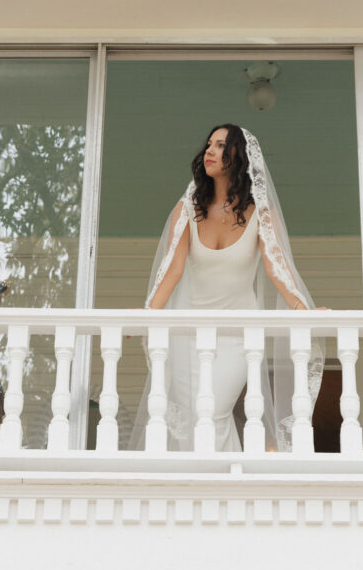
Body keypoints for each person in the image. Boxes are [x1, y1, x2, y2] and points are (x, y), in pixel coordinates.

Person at [134, 124, 323, 452]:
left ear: (238, 155)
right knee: (190, 417)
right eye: (208, 144)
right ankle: (193, 493)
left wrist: (303, 310)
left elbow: (277, 269)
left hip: (237, 335)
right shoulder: (187, 210)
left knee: (214, 410)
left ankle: (227, 490)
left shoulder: (260, 214)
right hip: (185, 333)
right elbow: (172, 270)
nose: (209, 151)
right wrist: (148, 314)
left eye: (220, 145)